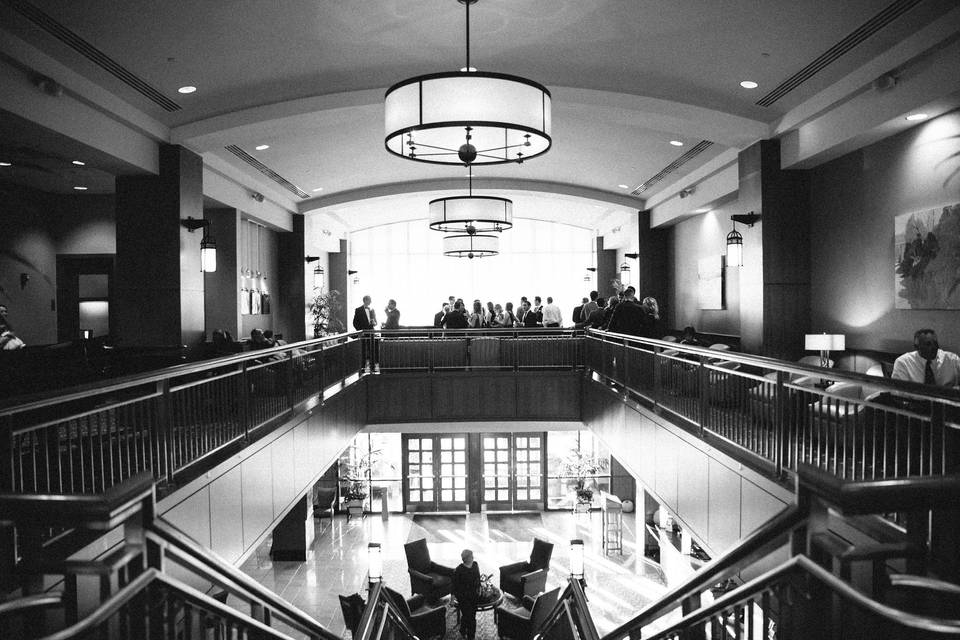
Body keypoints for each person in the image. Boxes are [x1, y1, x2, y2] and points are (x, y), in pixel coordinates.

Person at [892, 329, 960, 387]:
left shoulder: (952, 360)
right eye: (928, 344)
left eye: (935, 343)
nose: (934, 347)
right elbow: (899, 391)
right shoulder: (903, 363)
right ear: (917, 347)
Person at [453, 549, 481, 640]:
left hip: (474, 595)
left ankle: (462, 629)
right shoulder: (459, 570)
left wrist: (479, 587)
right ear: (466, 558)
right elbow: (454, 585)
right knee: (471, 618)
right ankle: (471, 637)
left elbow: (478, 577)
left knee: (469, 615)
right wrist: (452, 597)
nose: (473, 557)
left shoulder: (475, 565)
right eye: (471, 556)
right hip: (463, 596)